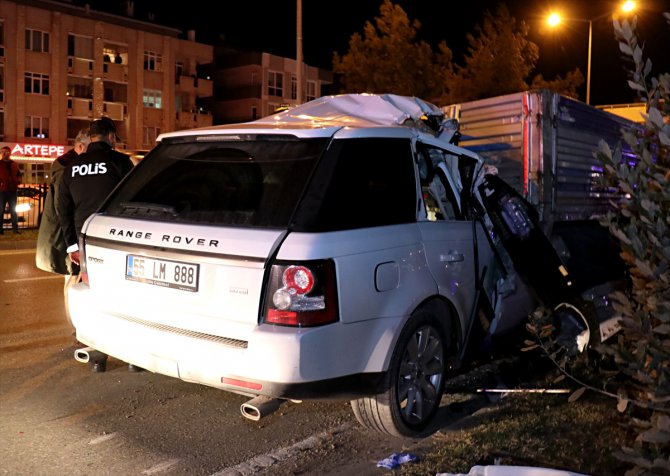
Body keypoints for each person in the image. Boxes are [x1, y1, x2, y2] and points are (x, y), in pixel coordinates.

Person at [56, 116, 134, 372]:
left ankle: (97, 352)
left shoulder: (73, 167)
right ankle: (132, 354)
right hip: (116, 239)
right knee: (122, 293)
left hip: (85, 239)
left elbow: (62, 209)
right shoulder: (120, 162)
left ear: (90, 138)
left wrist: (71, 246)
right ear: (111, 137)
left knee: (93, 293)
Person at [36, 129, 91, 340]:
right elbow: (63, 206)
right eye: (88, 147)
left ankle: (75, 324)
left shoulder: (65, 165)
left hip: (61, 231)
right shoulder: (67, 168)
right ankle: (75, 326)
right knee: (72, 277)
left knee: (71, 277)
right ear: (79, 146)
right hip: (63, 233)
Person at [0, 146, 23, 234]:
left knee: (13, 211)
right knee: (1, 211)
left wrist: (18, 181)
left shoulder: (14, 164)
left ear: (10, 153)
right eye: (2, 152)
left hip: (12, 191)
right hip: (2, 191)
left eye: (6, 152)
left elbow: (19, 174)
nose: (4, 153)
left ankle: (15, 230)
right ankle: (0, 230)